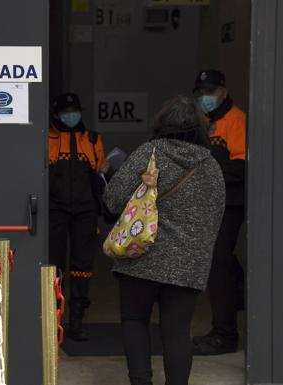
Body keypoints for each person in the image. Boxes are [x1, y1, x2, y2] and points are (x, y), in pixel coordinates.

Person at [103, 95, 225, 385]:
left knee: (135, 321)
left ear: (163, 123)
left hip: (140, 257)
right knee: (178, 329)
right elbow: (217, 215)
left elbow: (113, 199)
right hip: (187, 266)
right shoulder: (210, 166)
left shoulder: (150, 152)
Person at [191, 69, 247, 355]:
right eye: (201, 92)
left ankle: (225, 334)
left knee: (217, 263)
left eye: (210, 91)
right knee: (220, 260)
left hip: (230, 203)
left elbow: (242, 167)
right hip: (209, 202)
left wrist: (210, 172)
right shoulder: (204, 121)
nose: (205, 97)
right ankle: (240, 293)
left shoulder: (236, 120)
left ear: (223, 90)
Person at [48, 93, 105, 341]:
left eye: (75, 110)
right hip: (55, 210)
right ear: (56, 114)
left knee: (82, 266)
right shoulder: (45, 138)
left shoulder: (92, 139)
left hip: (85, 211)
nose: (71, 115)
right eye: (66, 111)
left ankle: (77, 321)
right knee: (54, 265)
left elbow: (99, 175)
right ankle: (53, 321)